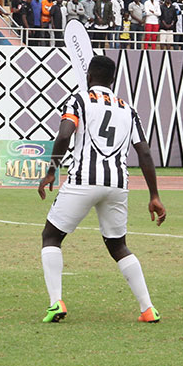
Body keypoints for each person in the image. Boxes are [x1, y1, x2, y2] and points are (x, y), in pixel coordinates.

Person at [37, 55, 166, 324]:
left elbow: (64, 134)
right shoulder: (128, 109)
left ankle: (56, 302)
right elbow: (143, 151)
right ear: (113, 80)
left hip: (84, 180)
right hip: (118, 184)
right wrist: (154, 194)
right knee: (118, 245)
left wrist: (52, 170)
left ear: (89, 77)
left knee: (51, 237)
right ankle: (148, 308)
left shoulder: (79, 100)